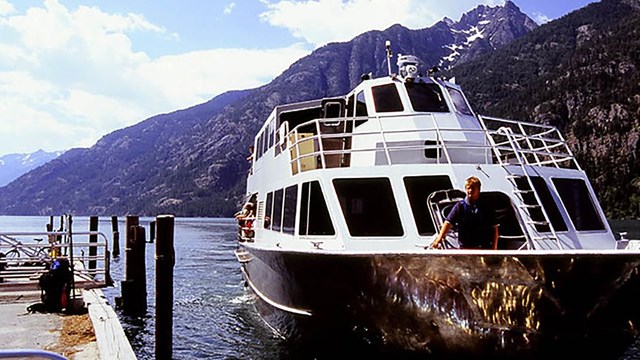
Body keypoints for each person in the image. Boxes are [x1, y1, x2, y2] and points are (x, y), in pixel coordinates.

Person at [429, 176, 499, 250]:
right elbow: (448, 223)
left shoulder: (486, 207)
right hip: (465, 248)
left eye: (473, 188)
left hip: (483, 247)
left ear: (478, 189)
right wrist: (439, 239)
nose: (470, 190)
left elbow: (494, 228)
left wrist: (494, 248)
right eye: (468, 188)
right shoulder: (460, 206)